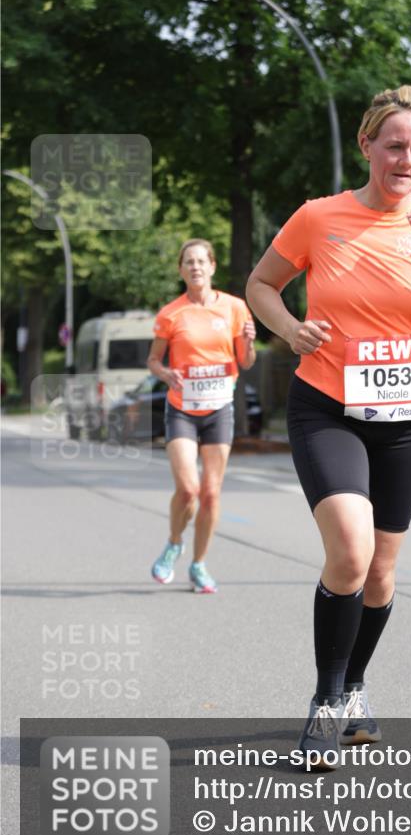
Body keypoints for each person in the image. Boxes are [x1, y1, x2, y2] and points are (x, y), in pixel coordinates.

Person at [246, 85, 411, 767]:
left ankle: (356, 686)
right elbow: (260, 285)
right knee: (351, 553)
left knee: (382, 572)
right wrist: (292, 328)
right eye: (394, 145)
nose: (406, 159)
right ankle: (327, 705)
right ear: (367, 146)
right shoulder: (317, 217)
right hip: (327, 405)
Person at [147, 238, 256, 593]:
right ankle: (174, 541)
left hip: (219, 408)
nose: (195, 267)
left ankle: (198, 564)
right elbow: (154, 361)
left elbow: (245, 361)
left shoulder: (235, 308)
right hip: (181, 409)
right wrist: (167, 374)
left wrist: (250, 343)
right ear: (181, 270)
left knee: (210, 493)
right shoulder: (171, 314)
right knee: (189, 488)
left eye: (201, 261)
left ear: (212, 267)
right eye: (188, 262)